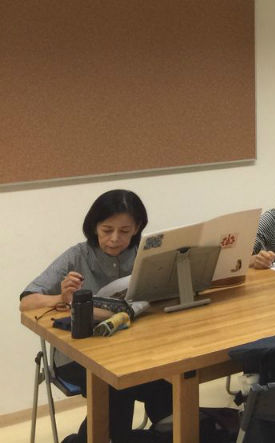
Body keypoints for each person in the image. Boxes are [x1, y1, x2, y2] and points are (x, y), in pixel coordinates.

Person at [20, 190, 173, 443]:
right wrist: (61, 298)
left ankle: (169, 430)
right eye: (107, 230)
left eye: (125, 231)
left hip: (135, 350)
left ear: (137, 228)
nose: (115, 239)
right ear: (94, 227)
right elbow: (26, 301)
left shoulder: (145, 253)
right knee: (117, 383)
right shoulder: (77, 256)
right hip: (77, 356)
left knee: (168, 379)